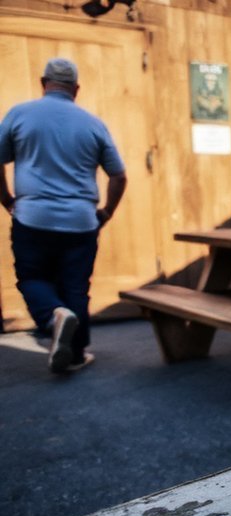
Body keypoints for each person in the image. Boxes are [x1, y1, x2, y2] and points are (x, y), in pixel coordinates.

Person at [0, 57, 127, 373]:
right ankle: (76, 355)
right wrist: (107, 211)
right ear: (76, 89)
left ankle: (52, 316)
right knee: (76, 287)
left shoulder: (19, 114)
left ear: (44, 83)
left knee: (32, 278)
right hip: (81, 220)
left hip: (33, 217)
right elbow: (119, 176)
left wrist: (6, 200)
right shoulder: (93, 123)